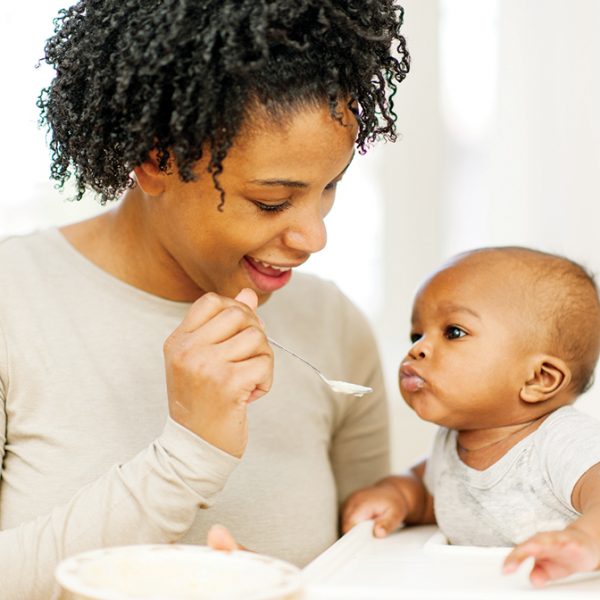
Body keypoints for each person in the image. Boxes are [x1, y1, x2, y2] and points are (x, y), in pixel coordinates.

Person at [0, 1, 410, 597]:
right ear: (155, 159)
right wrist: (189, 454)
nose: (315, 237)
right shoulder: (14, 299)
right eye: (272, 201)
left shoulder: (333, 325)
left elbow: (369, 569)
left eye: (330, 188)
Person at [342, 246, 600, 587]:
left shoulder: (561, 441)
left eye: (453, 332)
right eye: (416, 334)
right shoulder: (450, 444)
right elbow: (433, 496)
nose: (417, 348)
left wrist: (585, 541)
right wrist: (397, 496)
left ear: (539, 379)